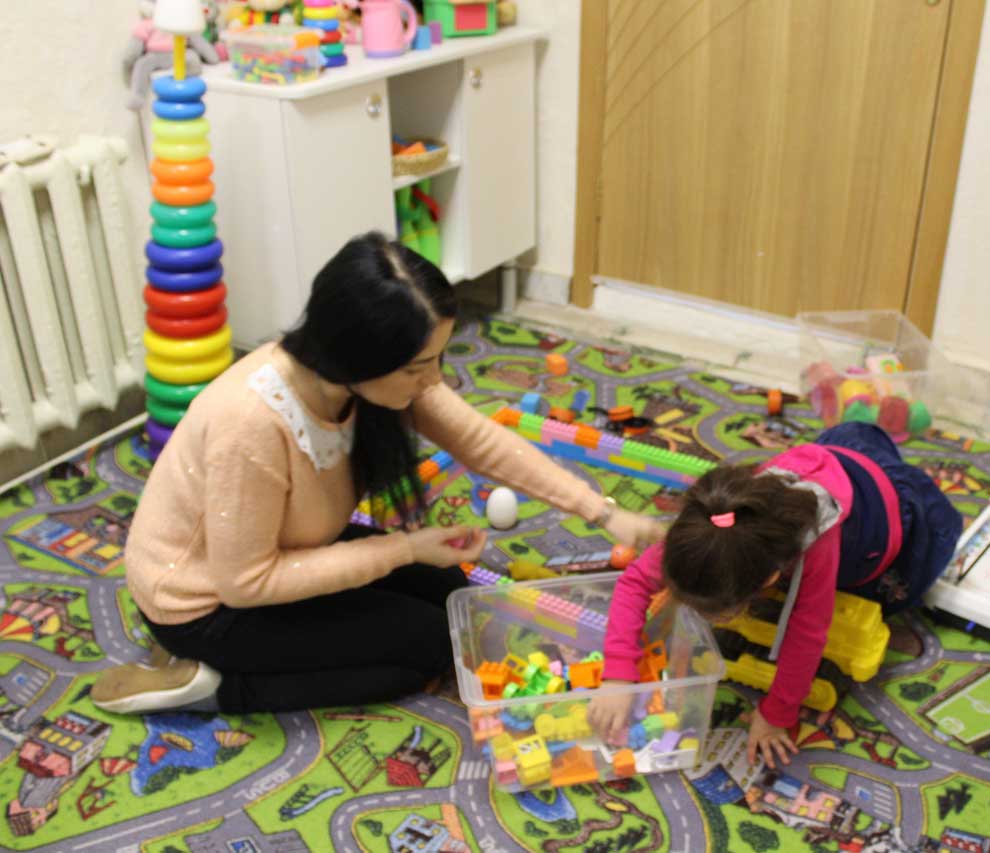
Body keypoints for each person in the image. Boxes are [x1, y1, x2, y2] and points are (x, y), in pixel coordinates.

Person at [92, 232, 662, 715]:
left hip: (285, 552)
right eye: (419, 367)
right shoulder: (251, 424)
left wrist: (602, 513)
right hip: (206, 605)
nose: (433, 380)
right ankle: (216, 687)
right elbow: (246, 583)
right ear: (358, 356)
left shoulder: (365, 379)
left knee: (450, 593)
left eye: (437, 359)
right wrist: (403, 549)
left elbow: (480, 441)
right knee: (425, 650)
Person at [587, 422, 962, 768]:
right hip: (834, 460)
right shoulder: (704, 530)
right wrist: (617, 675)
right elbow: (634, 582)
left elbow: (807, 633)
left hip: (880, 518)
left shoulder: (817, 547)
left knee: (877, 589)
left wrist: (776, 714)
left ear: (769, 579)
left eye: (718, 611)